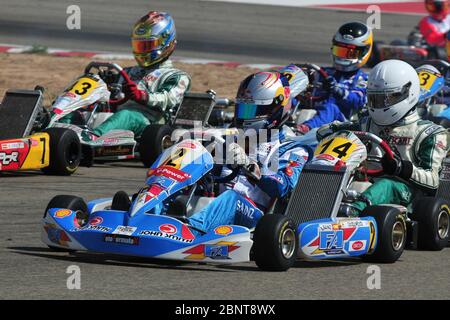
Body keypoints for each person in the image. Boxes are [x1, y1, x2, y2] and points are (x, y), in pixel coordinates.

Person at [187, 69, 314, 232]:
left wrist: (249, 165)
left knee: (231, 199)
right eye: (243, 110)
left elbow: (283, 186)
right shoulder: (228, 136)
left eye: (253, 111)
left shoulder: (293, 148)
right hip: (213, 201)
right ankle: (148, 216)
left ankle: (192, 232)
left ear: (274, 110)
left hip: (254, 216)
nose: (245, 116)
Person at [317, 59, 449, 212]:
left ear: (408, 93)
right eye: (375, 99)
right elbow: (325, 131)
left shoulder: (429, 133)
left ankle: (352, 212)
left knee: (386, 185)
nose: (379, 104)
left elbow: (433, 181)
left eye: (387, 99)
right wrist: (330, 133)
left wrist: (401, 168)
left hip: (408, 193)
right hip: (366, 182)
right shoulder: (367, 124)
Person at [80, 11, 191, 141]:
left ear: (165, 43)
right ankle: (56, 130)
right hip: (117, 117)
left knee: (126, 115)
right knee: (80, 111)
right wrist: (106, 85)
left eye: (147, 46)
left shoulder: (176, 76)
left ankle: (89, 139)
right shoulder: (126, 71)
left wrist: (142, 96)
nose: (142, 51)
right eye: (139, 45)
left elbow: (168, 99)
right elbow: (114, 98)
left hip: (150, 123)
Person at [296, 21, 371, 134]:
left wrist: (337, 90)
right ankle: (267, 128)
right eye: (340, 51)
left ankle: (304, 129)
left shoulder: (364, 80)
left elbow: (357, 101)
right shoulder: (322, 72)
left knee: (331, 108)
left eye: (350, 53)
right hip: (310, 113)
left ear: (363, 52)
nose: (343, 57)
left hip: (341, 125)